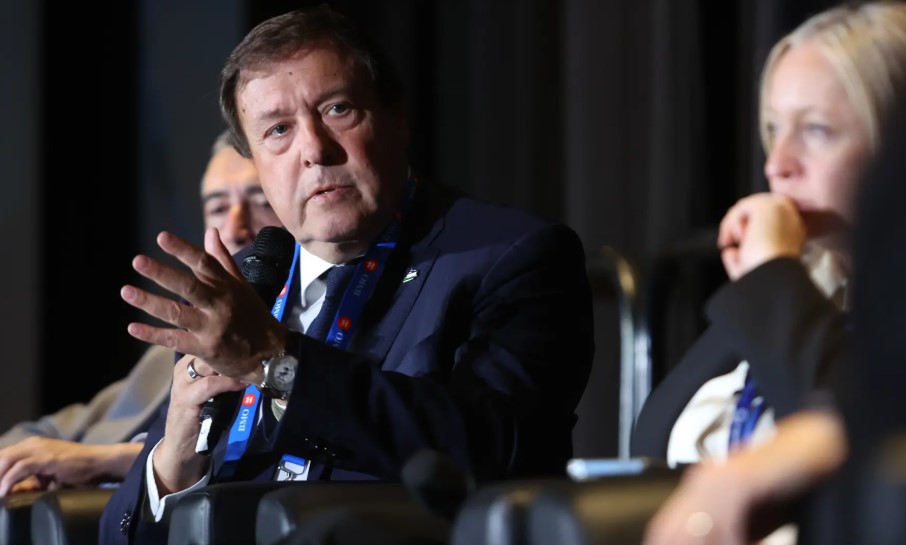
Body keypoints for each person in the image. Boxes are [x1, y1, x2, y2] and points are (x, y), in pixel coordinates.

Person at [99, 5, 594, 544]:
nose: (314, 150)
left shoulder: (510, 257)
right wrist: (173, 457)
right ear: (256, 164)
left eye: (338, 109)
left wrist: (276, 363)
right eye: (279, 130)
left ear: (397, 119)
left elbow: (497, 448)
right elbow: (120, 533)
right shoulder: (241, 287)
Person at [634, 2, 906, 544]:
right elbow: (653, 446)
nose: (777, 164)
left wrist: (771, 278)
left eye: (816, 130)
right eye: (774, 128)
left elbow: (864, 445)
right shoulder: (799, 285)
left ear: (904, 146)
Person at [0, 130, 281, 497]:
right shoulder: (169, 353)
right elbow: (45, 434)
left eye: (261, 202)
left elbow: (249, 458)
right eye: (217, 209)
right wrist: (22, 464)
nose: (234, 228)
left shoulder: (298, 352)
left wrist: (105, 460)